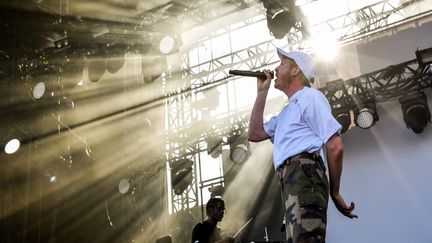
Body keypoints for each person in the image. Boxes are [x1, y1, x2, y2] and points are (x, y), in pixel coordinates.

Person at [248, 48, 358, 243]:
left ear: (295, 70)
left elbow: (335, 146)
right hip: (290, 179)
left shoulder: (310, 97)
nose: (275, 68)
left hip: (304, 174)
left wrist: (335, 192)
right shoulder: (287, 112)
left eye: (282, 63)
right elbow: (255, 133)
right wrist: (261, 92)